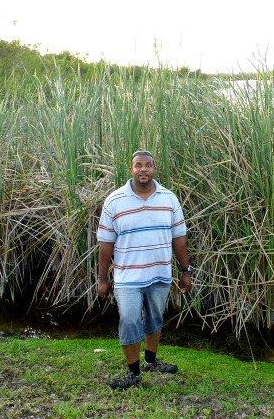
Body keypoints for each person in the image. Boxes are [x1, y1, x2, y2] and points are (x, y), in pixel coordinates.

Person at [97, 149, 193, 390]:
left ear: (154, 169)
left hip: (160, 274)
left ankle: (151, 361)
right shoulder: (114, 200)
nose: (143, 169)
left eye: (148, 165)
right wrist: (102, 279)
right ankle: (133, 374)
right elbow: (105, 244)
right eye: (138, 165)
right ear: (131, 169)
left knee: (155, 320)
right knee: (129, 320)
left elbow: (179, 239)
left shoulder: (169, 199)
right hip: (128, 277)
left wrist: (185, 270)